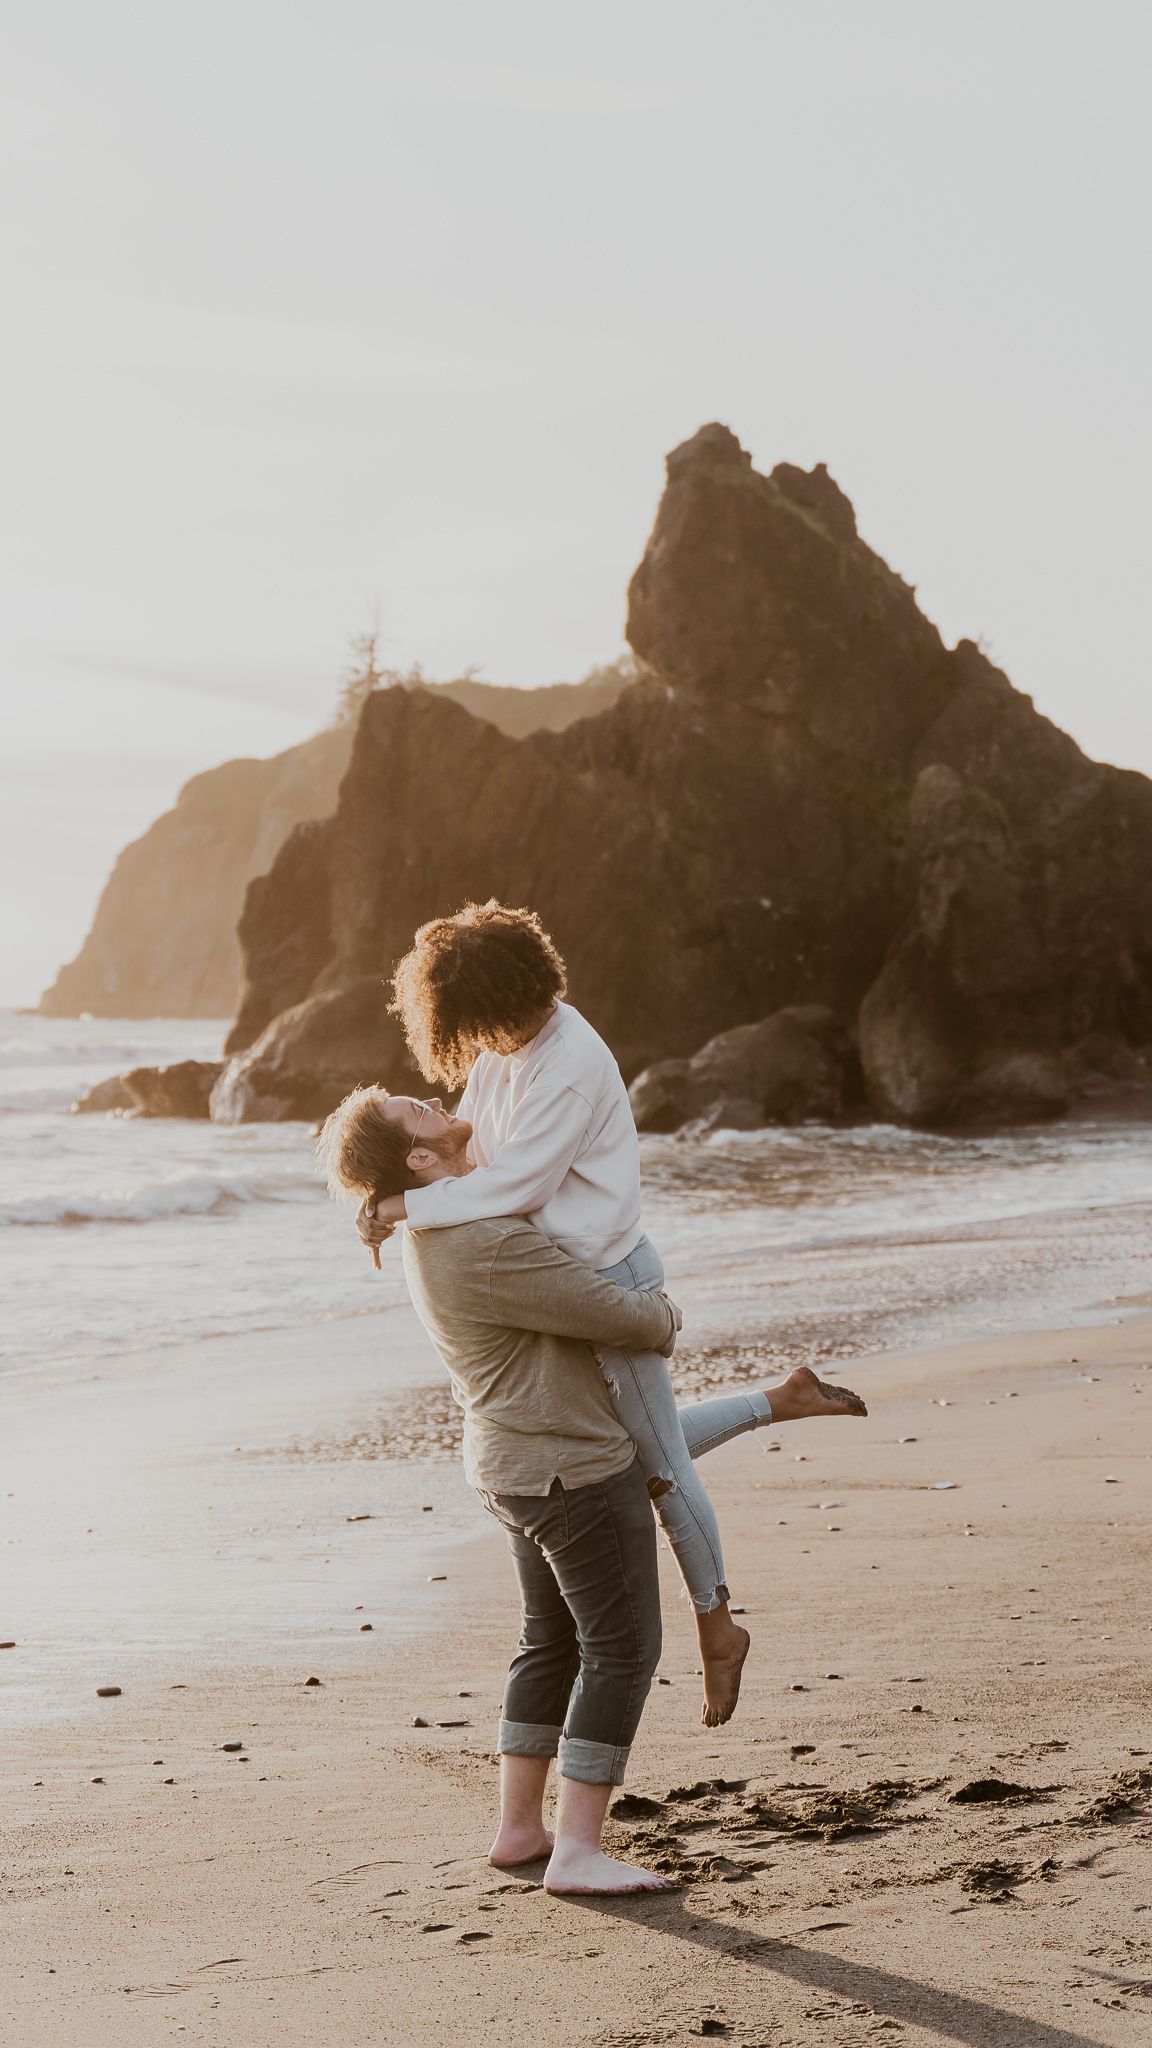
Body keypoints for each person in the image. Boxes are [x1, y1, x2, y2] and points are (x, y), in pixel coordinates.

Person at [318, 1084, 863, 1894]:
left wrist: (390, 1203)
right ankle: (575, 1851)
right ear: (423, 1160)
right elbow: (625, 1318)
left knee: (552, 1642)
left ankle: (519, 1828)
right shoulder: (481, 1242)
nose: (433, 1095)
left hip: (515, 1464)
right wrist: (665, 1315)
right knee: (624, 1647)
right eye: (414, 1110)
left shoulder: (439, 1227)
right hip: (567, 1468)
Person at [356, 901, 867, 1724]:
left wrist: (404, 1210)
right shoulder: (500, 1050)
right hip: (558, 1277)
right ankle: (784, 1400)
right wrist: (401, 1199)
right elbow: (479, 1161)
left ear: (516, 991)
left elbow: (515, 1186)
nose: (486, 1033)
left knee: (657, 1468)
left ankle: (717, 1623)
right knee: (635, 1446)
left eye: (493, 1015)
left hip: (604, 1278)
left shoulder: (566, 1063)